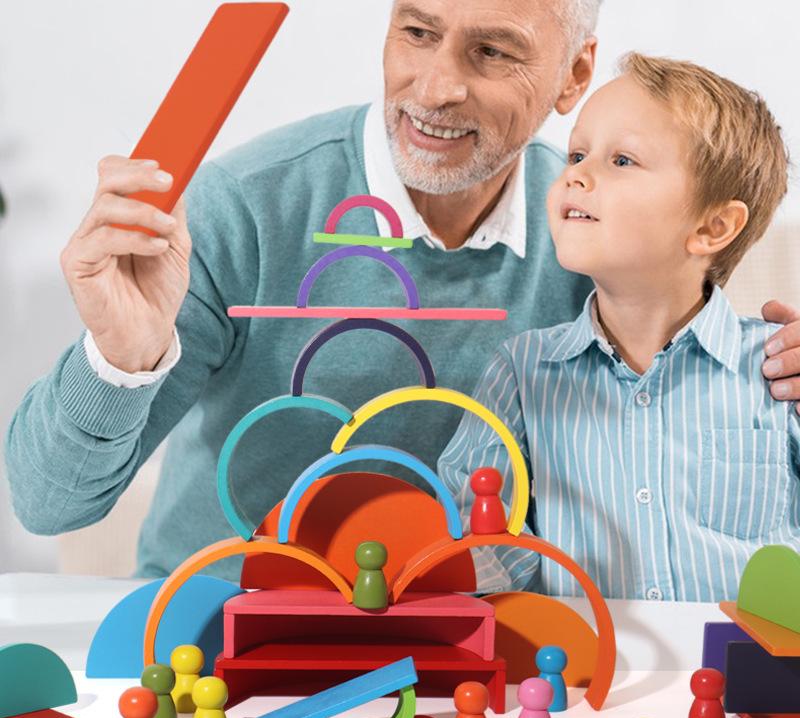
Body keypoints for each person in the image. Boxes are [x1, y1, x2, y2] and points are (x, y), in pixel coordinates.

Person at [4, 2, 800, 586]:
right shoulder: (244, 204)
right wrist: (119, 357)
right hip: (224, 635)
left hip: (464, 648)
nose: (437, 86)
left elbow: (688, 429)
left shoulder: (601, 232)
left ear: (575, 74)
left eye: (492, 51)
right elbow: (46, 504)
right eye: (417, 32)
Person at [439, 52, 797, 602]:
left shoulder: (778, 371)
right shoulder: (522, 371)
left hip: (755, 680)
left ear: (713, 225)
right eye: (577, 153)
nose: (575, 173)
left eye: (622, 160)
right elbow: (477, 527)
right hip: (585, 674)